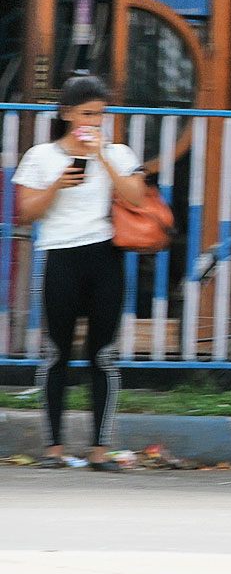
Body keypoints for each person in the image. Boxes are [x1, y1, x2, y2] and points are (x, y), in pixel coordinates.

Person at [13, 74, 150, 471]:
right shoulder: (41, 156)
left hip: (105, 256)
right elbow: (26, 212)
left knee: (102, 354)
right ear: (67, 114)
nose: (95, 122)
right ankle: (53, 448)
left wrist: (104, 156)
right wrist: (56, 185)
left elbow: (137, 197)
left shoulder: (119, 152)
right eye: (87, 114)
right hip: (60, 256)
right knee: (56, 353)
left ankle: (99, 450)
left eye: (101, 114)